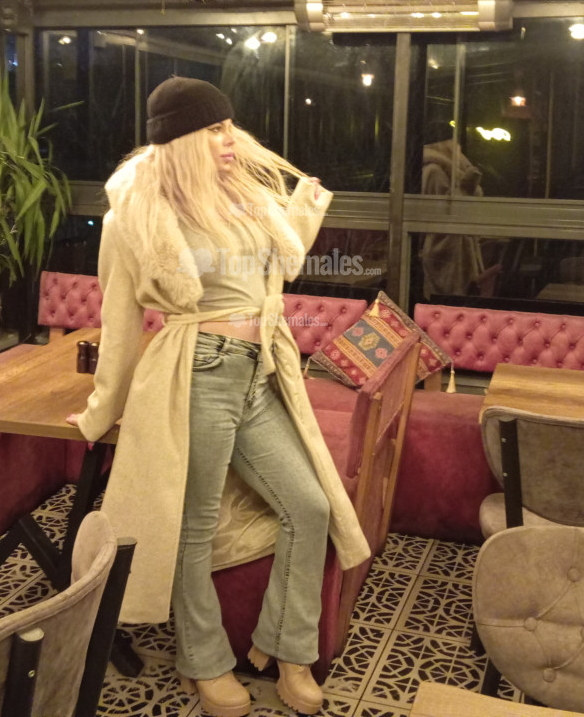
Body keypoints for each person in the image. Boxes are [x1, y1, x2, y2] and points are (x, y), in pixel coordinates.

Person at [67, 76, 369, 717]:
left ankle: (289, 650)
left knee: (309, 506)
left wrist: (304, 208)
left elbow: (277, 265)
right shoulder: (136, 216)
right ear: (179, 139)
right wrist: (99, 411)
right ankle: (203, 662)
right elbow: (119, 322)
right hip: (197, 374)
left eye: (229, 125)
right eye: (213, 129)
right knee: (193, 526)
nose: (230, 138)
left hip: (260, 372)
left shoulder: (241, 194)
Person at [419, 121, 486, 298]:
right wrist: (466, 186)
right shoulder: (434, 171)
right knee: (447, 303)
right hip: (444, 252)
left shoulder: (452, 170)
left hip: (458, 249)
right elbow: (444, 214)